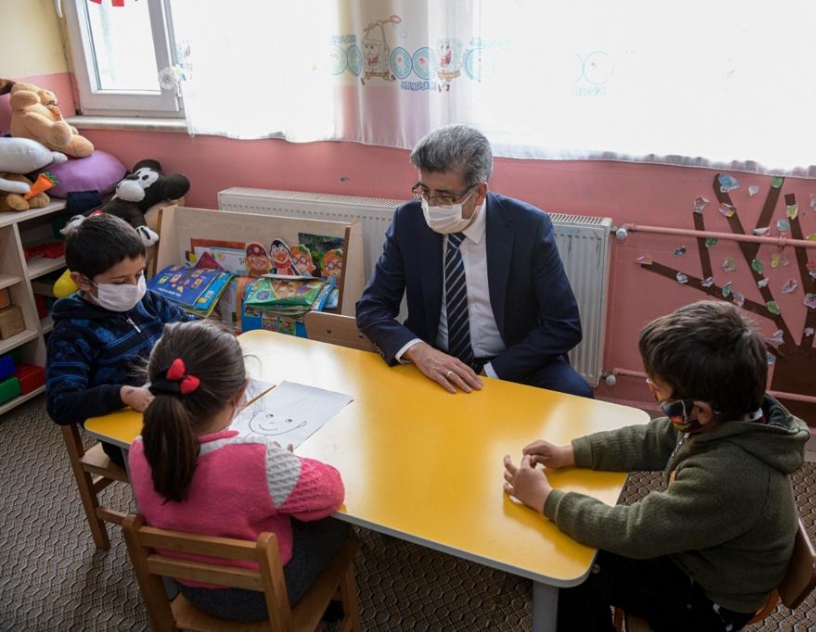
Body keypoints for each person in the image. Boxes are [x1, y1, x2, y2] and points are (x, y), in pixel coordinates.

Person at [503, 300, 811, 631]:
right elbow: (651, 438)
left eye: (658, 391)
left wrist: (545, 498)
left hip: (709, 600)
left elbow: (632, 530)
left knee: (568, 569)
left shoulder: (727, 475)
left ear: (700, 411)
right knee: (573, 551)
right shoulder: (728, 418)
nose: (653, 394)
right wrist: (571, 452)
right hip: (702, 557)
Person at [128, 320, 349, 621]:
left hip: (191, 587)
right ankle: (321, 607)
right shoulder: (256, 458)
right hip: (261, 596)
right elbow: (331, 491)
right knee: (335, 524)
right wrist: (286, 464)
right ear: (240, 392)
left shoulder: (139, 450)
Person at [355, 124, 591, 397]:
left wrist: (491, 373)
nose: (431, 205)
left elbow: (564, 325)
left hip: (514, 359)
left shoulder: (527, 226)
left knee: (576, 393)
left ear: (479, 192)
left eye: (445, 196)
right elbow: (372, 308)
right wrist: (419, 351)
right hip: (434, 356)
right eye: (424, 191)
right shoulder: (409, 221)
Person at [45, 213, 194, 466]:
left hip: (171, 405)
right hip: (127, 439)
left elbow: (190, 327)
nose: (134, 286)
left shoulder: (147, 300)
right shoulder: (72, 333)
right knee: (201, 461)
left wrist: (216, 339)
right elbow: (61, 404)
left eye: (139, 274)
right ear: (82, 281)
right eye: (120, 281)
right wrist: (122, 394)